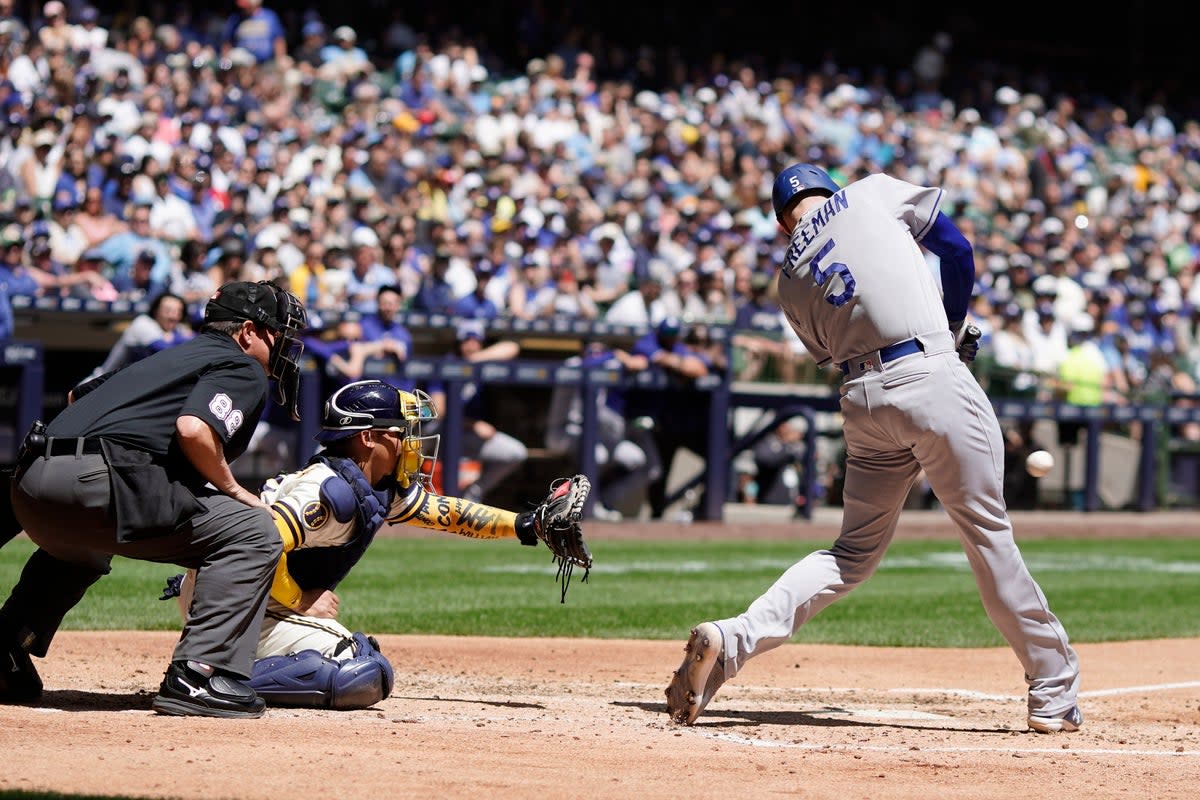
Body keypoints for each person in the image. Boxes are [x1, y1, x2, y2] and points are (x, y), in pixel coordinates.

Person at [665, 163, 1082, 734]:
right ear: (828, 187)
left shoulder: (788, 280)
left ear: (783, 222)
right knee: (986, 534)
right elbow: (956, 250)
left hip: (863, 401)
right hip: (930, 376)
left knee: (850, 553)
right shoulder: (868, 193)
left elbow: (835, 348)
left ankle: (732, 640)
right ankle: (1053, 689)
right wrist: (955, 326)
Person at [165, 380, 590, 709]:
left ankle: (223, 659)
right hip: (234, 600)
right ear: (368, 438)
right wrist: (301, 600)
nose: (410, 441)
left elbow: (447, 512)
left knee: (361, 662)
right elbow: (260, 541)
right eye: (399, 431)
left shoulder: (373, 485)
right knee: (359, 670)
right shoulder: (329, 491)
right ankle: (213, 671)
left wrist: (526, 525)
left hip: (248, 597)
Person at [0, 280, 308, 719]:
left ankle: (6, 647)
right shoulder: (243, 367)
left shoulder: (168, 357)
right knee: (254, 530)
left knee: (84, 546)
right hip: (97, 482)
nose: (283, 348)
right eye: (278, 334)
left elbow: (77, 396)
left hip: (30, 484)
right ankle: (199, 674)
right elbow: (194, 429)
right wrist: (236, 491)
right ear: (246, 332)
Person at [426, 321, 528, 503]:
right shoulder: (447, 363)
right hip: (443, 434)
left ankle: (473, 492)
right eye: (467, 340)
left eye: (476, 341)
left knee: (516, 452)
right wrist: (473, 423)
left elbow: (512, 347)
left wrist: (474, 360)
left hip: (470, 437)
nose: (471, 345)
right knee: (419, 438)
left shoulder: (480, 364)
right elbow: (437, 410)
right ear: (458, 342)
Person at [85, 291, 193, 380]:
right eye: (168, 310)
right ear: (156, 311)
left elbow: (198, 342)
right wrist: (180, 338)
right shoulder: (143, 323)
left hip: (125, 388)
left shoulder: (177, 330)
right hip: (100, 384)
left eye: (178, 311)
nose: (172, 316)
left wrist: (176, 337)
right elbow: (164, 349)